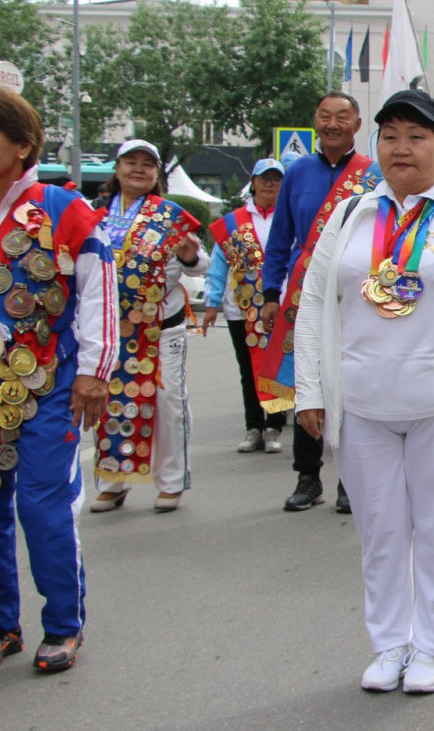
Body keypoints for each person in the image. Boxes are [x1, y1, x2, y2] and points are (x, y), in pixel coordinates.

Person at [293, 89, 434, 694]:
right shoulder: (351, 215)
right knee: (380, 533)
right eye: (390, 135)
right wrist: (309, 389)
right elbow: (315, 303)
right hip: (362, 404)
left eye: (417, 136)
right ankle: (390, 643)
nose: (401, 148)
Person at [0, 88, 117, 674]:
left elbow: (98, 294)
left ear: (22, 144)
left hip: (49, 385)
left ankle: (63, 622)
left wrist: (93, 372)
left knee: (41, 505)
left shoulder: (64, 207)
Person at [260, 92, 380, 514]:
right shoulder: (297, 172)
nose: (332, 124)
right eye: (325, 116)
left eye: (341, 117)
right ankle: (308, 477)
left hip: (356, 292)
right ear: (315, 122)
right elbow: (280, 240)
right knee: (306, 378)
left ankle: (351, 478)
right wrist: (270, 292)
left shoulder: (375, 174)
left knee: (349, 380)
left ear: (357, 124)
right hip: (304, 293)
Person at [91, 140, 209, 513]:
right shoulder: (95, 215)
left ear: (157, 173)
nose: (138, 169)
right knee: (111, 402)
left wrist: (189, 256)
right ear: (118, 168)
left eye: (147, 164)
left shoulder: (170, 216)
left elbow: (200, 264)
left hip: (162, 328)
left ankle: (172, 481)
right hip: (112, 330)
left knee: (168, 401)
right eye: (131, 162)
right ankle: (114, 479)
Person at [202, 159, 286, 454]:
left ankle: (275, 425)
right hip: (241, 309)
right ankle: (254, 427)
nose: (269, 184)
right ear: (253, 182)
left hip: (278, 307)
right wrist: (211, 303)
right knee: (247, 370)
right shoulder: (233, 221)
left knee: (274, 368)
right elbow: (217, 265)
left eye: (276, 179)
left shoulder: (288, 219)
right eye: (264, 178)